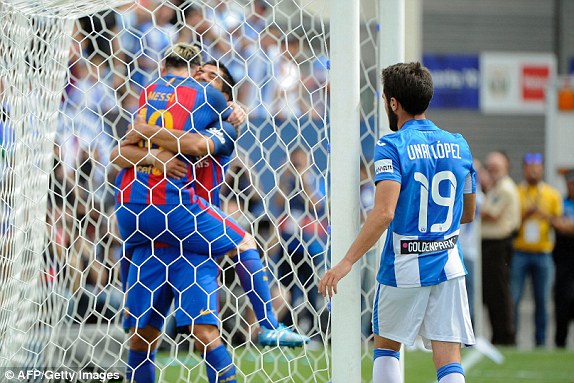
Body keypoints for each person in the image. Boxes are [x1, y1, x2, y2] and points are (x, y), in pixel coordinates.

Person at [110, 44, 308, 383]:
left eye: (212, 78)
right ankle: (269, 324)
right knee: (141, 337)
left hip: (193, 234)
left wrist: (146, 132)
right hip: (156, 227)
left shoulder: (224, 126)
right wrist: (153, 157)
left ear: (225, 96)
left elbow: (195, 147)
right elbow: (118, 154)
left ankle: (268, 324)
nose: (200, 79)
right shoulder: (174, 109)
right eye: (198, 73)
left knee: (204, 332)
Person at [319, 62, 476, 383]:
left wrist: (347, 261)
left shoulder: (391, 145)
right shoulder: (459, 144)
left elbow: (384, 212)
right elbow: (468, 213)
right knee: (448, 358)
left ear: (393, 103)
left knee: (387, 348)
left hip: (404, 264)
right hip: (448, 263)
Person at [512, 152, 562, 347]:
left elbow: (558, 222)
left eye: (536, 167)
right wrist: (526, 215)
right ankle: (512, 338)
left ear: (541, 169)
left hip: (543, 252)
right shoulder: (517, 192)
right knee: (514, 297)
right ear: (524, 169)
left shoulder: (551, 194)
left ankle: (540, 340)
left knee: (542, 300)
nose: (533, 171)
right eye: (529, 167)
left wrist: (544, 216)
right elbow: (512, 222)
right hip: (520, 251)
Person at [480, 150, 520, 345]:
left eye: (495, 167)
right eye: (489, 167)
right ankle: (498, 335)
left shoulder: (504, 188)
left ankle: (505, 336)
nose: (491, 171)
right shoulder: (496, 187)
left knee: (500, 292)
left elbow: (490, 213)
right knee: (492, 292)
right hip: (490, 246)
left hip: (499, 246)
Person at [552, 169, 574, 348]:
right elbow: (555, 222)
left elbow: (562, 225)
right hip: (563, 261)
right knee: (562, 301)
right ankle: (560, 341)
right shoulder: (560, 201)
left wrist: (565, 226)